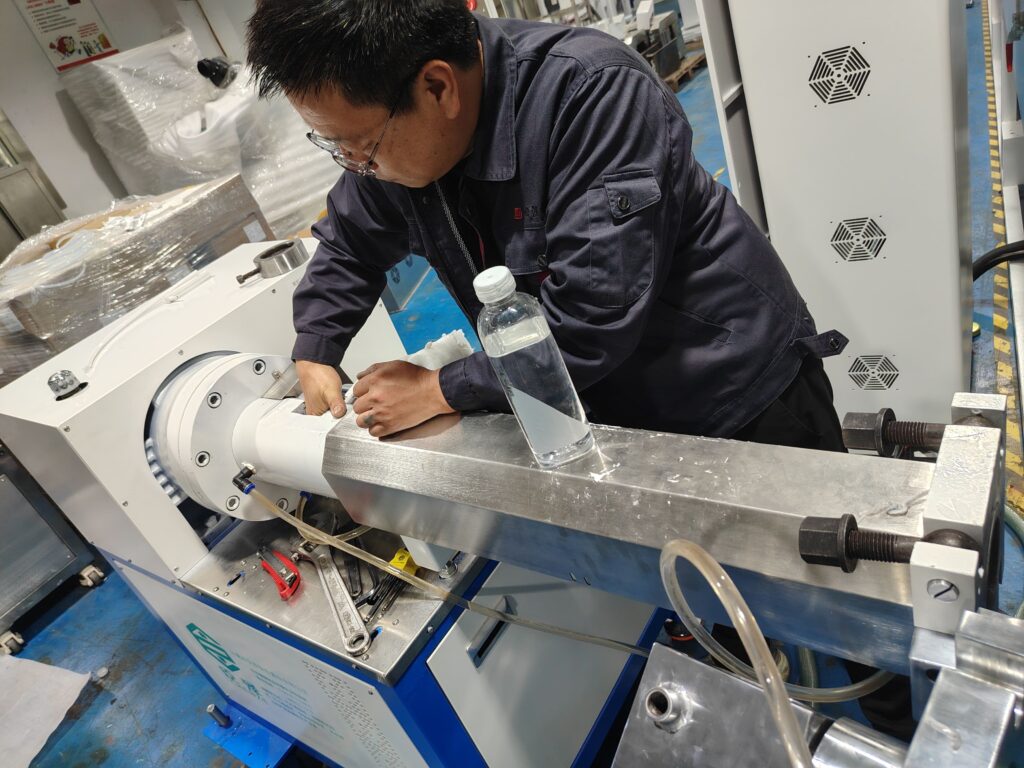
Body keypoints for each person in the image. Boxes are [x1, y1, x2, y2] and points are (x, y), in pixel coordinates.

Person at [246, 0, 849, 450]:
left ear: (437, 87)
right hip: (602, 408)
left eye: (359, 146)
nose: (357, 167)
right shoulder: (401, 146)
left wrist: (438, 389)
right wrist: (317, 348)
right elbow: (352, 242)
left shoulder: (591, 95)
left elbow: (592, 319)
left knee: (811, 599)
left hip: (730, 393)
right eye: (338, 150)